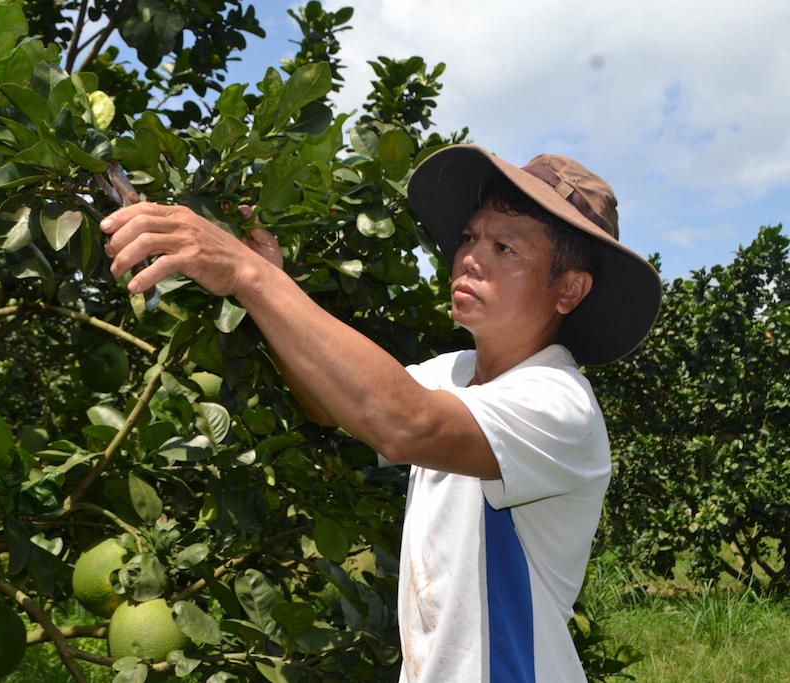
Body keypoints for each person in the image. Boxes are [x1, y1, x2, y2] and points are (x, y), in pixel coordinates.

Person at [99, 144, 662, 682]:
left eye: (504, 249)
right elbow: (331, 405)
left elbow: (403, 423)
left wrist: (251, 275)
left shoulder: (559, 402)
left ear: (568, 289)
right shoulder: (454, 373)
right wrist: (270, 288)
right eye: (469, 238)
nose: (468, 257)